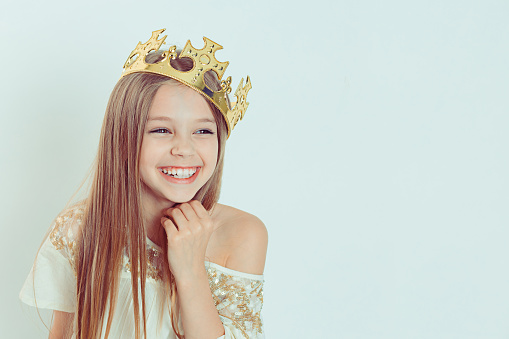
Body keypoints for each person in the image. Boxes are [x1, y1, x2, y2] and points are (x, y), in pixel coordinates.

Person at [19, 29, 268, 339]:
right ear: (124, 138)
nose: (184, 149)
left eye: (203, 132)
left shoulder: (242, 234)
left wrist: (190, 272)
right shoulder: (79, 229)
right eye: (162, 130)